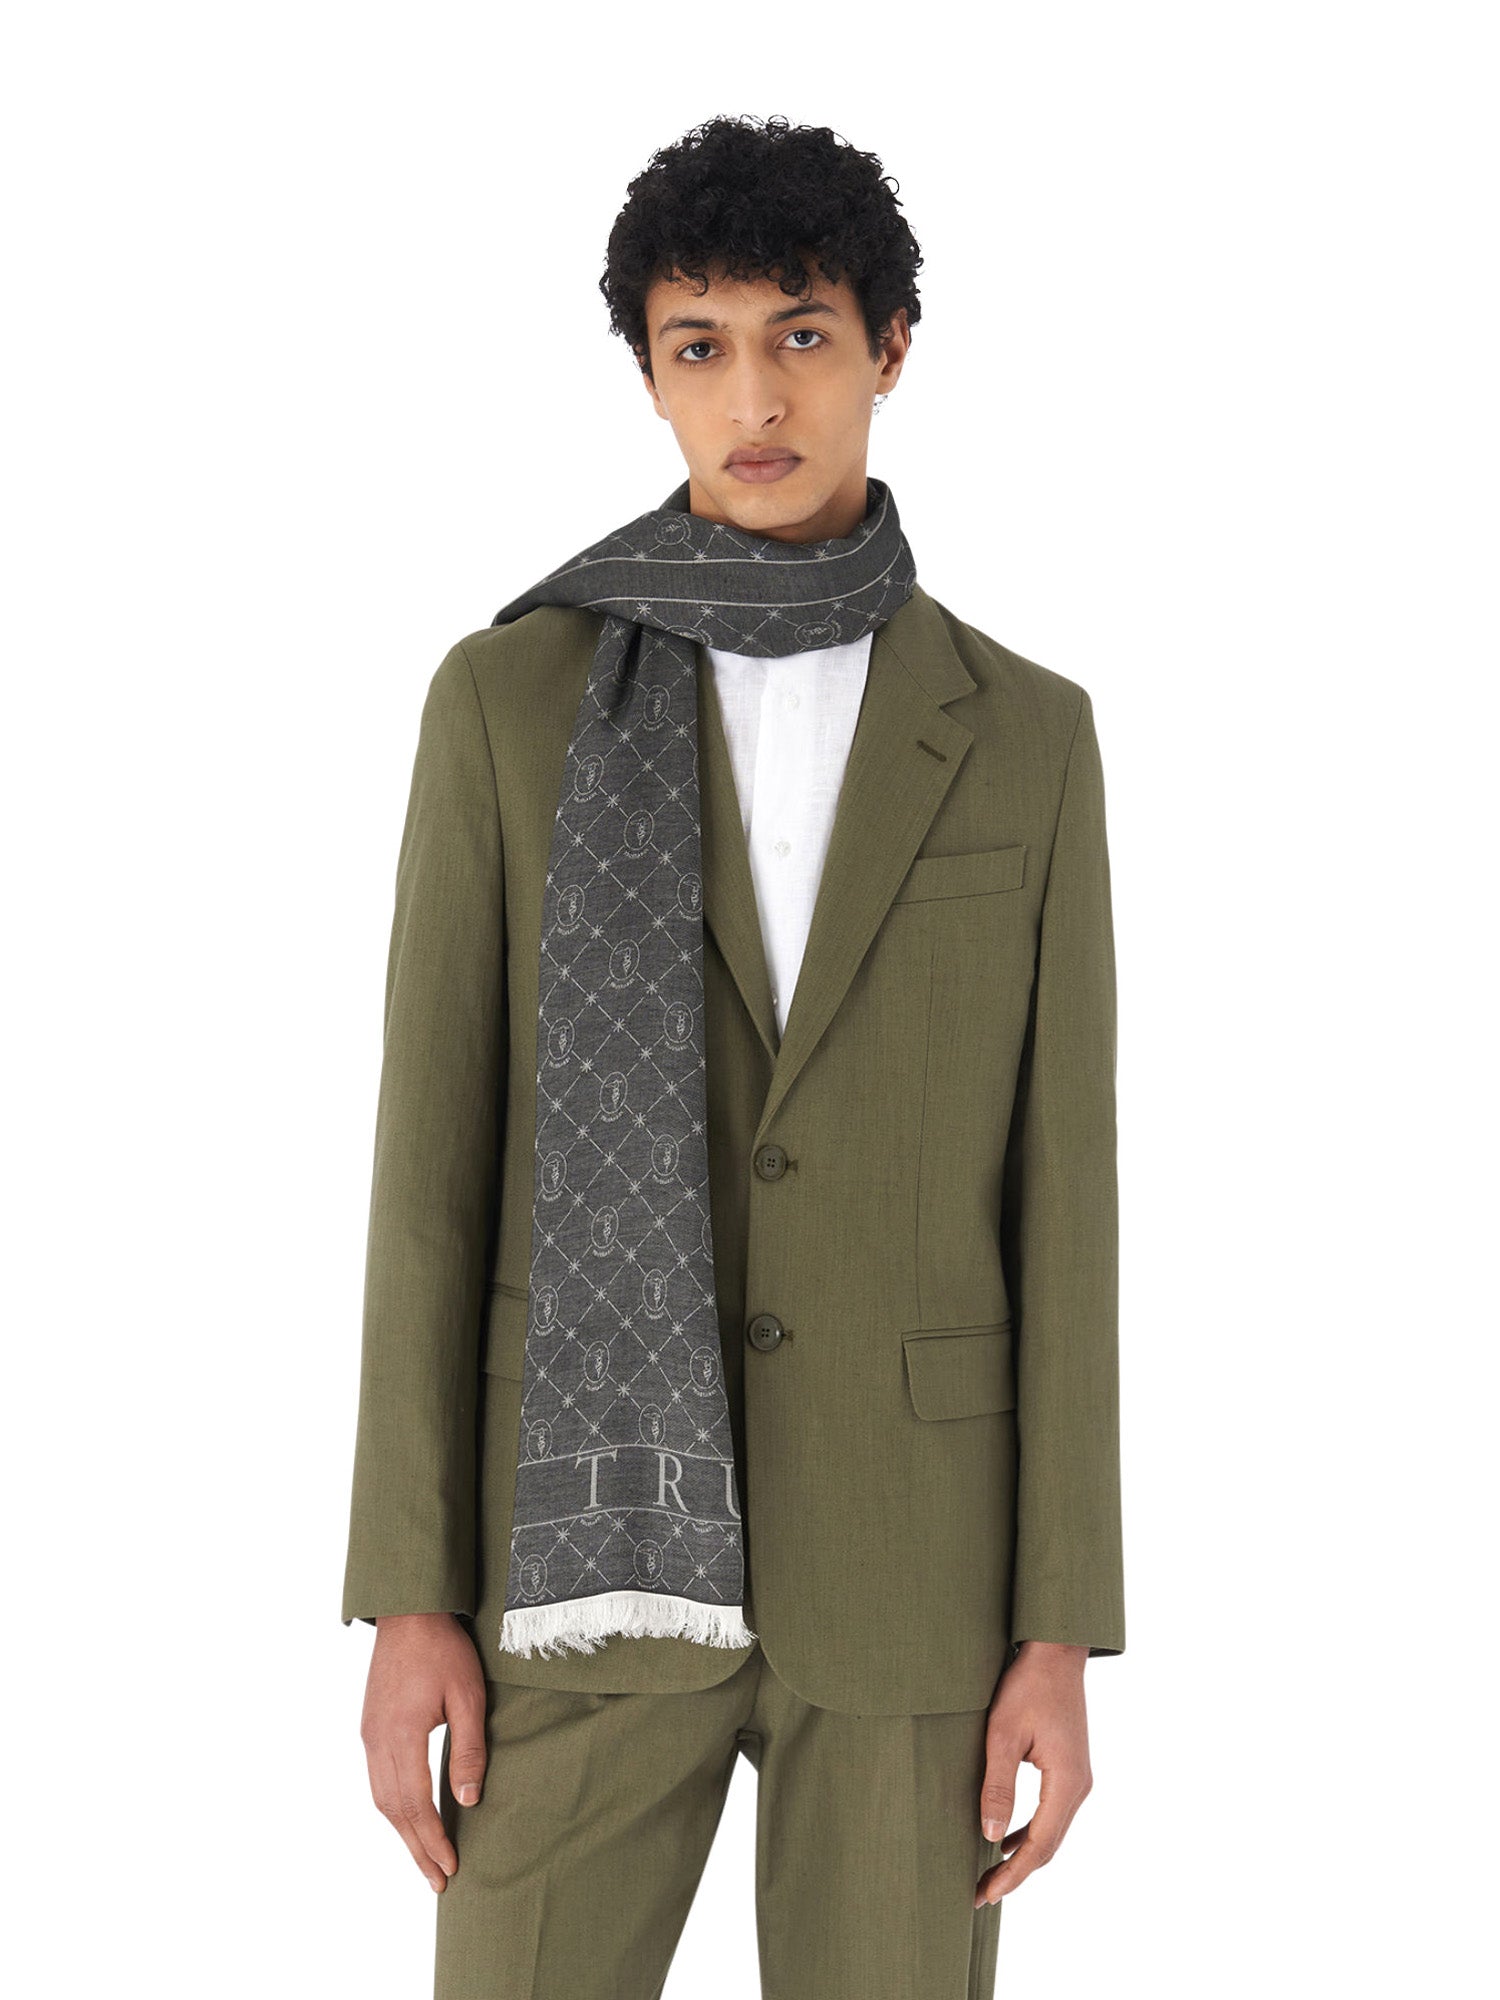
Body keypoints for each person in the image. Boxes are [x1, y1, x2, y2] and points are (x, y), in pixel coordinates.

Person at [342, 111, 1125, 1999]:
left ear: (891, 349)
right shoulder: (509, 702)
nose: (754, 398)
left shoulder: (1025, 733)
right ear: (648, 373)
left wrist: (1059, 1629)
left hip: (917, 1574)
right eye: (699, 347)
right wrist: (407, 1596)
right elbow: (430, 1171)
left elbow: (1067, 1199)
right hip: (576, 1558)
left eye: (803, 337)